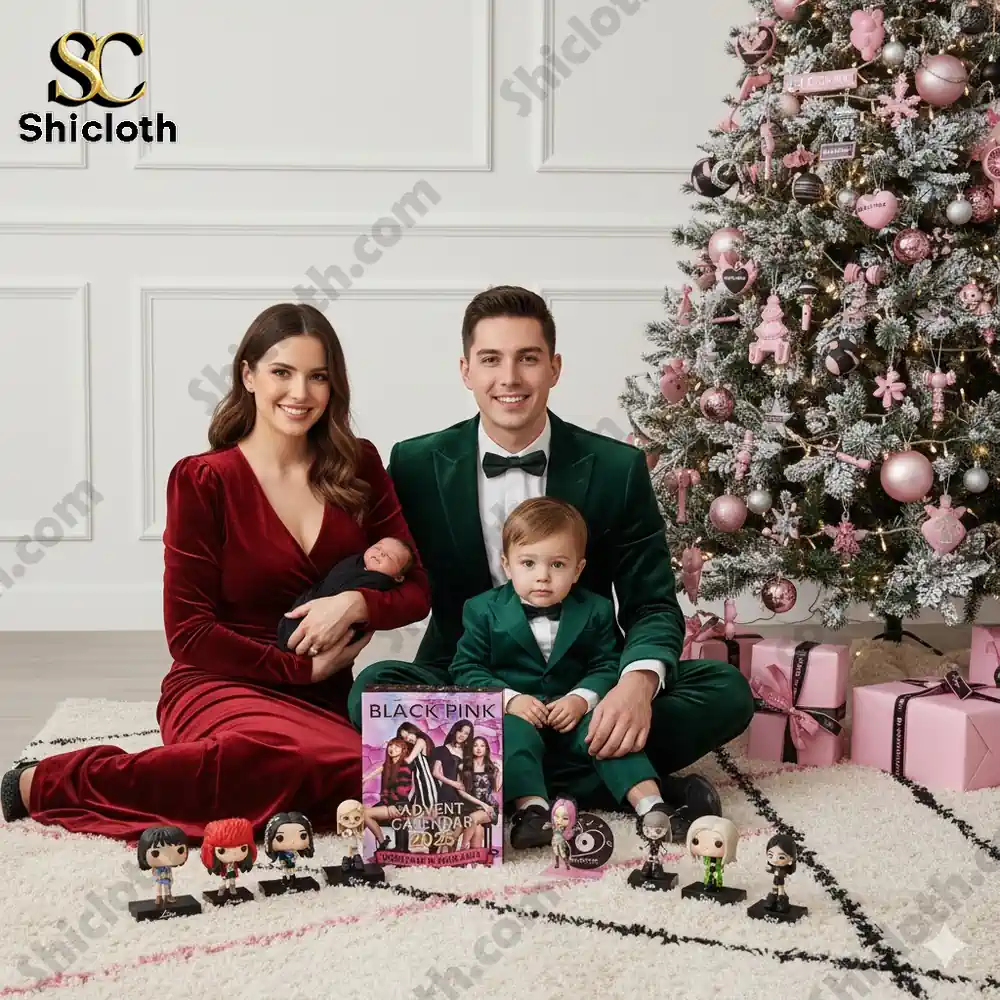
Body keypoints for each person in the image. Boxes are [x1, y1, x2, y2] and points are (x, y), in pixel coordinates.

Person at [0, 303, 431, 840]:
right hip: (219, 681)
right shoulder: (203, 480)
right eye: (282, 372)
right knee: (261, 762)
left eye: (317, 376)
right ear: (248, 376)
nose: (300, 393)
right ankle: (49, 782)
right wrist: (300, 670)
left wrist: (358, 603)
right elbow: (188, 633)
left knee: (389, 777)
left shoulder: (359, 464)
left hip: (322, 696)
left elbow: (416, 591)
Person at [346, 284, 753, 844]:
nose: (509, 378)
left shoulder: (615, 467)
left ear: (555, 367)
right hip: (472, 682)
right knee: (371, 689)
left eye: (528, 358)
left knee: (727, 689)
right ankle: (628, 781)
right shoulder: (415, 463)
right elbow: (385, 567)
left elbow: (652, 603)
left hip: (585, 682)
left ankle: (509, 784)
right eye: (491, 359)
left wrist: (633, 686)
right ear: (466, 369)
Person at [452, 496, 669, 835]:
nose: (542, 577)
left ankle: (651, 805)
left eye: (557, 565)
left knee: (606, 734)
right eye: (528, 564)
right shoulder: (481, 610)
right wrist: (510, 700)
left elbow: (607, 663)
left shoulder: (595, 609)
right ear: (506, 566)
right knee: (512, 738)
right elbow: (466, 669)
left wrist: (582, 698)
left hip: (574, 713)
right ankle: (532, 810)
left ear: (578, 569)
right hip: (517, 714)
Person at [276, 536, 415, 651]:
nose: (381, 553)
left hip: (333, 631)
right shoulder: (354, 560)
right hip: (311, 600)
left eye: (391, 557)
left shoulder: (380, 585)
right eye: (378, 547)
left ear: (399, 577)